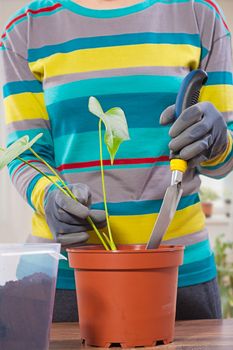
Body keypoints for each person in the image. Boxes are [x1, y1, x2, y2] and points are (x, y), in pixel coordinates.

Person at [0, 0, 232, 322]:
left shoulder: (198, 12)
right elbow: (26, 153)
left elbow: (221, 164)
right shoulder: (25, 29)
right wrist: (50, 197)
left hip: (179, 277)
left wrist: (217, 141)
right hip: (65, 279)